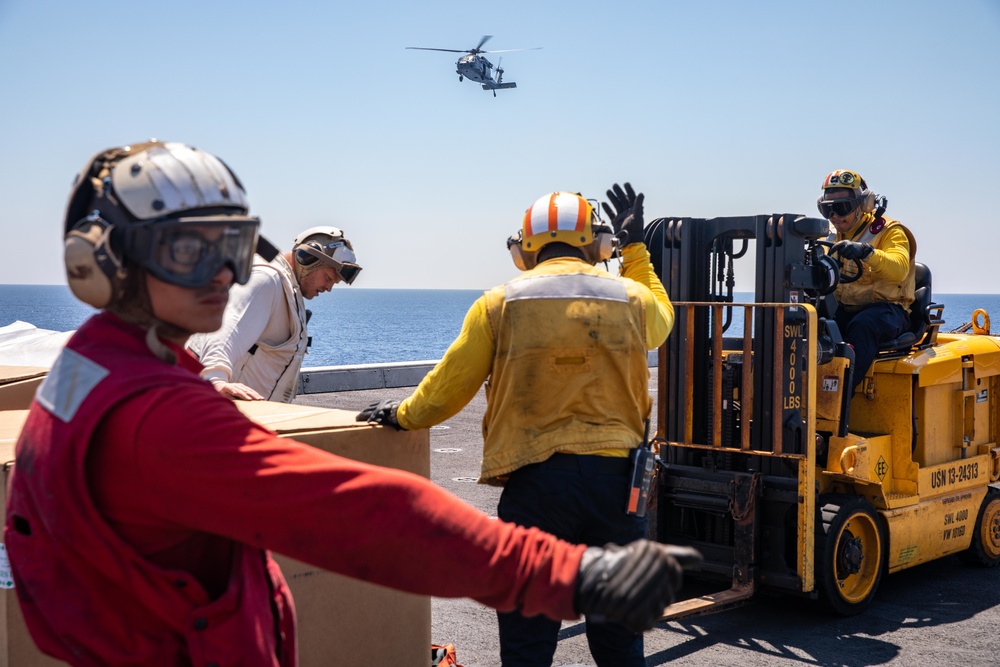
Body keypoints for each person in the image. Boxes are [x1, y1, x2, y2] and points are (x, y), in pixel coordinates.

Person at [4, 142, 700, 667]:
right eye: (190, 250)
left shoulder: (80, 370)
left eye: (232, 245)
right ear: (97, 259)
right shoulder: (166, 423)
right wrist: (566, 572)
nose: (224, 274)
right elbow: (363, 517)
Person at [358, 184, 675, 667]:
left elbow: (448, 387)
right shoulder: (631, 298)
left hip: (537, 485)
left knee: (528, 637)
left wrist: (401, 415)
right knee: (619, 638)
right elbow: (663, 321)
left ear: (525, 248)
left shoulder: (498, 303)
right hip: (619, 489)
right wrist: (634, 251)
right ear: (597, 244)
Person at [187, 225, 361, 402]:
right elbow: (226, 329)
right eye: (328, 278)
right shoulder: (267, 279)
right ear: (308, 258)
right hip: (226, 413)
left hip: (256, 416)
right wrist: (214, 380)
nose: (329, 288)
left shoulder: (287, 289)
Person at [818, 169, 917, 391]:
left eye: (841, 207)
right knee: (806, 318)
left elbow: (899, 268)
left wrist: (866, 252)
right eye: (828, 209)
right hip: (846, 309)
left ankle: (839, 400)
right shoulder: (831, 238)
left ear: (863, 204)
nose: (834, 216)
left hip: (889, 311)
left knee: (863, 325)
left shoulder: (891, 231)